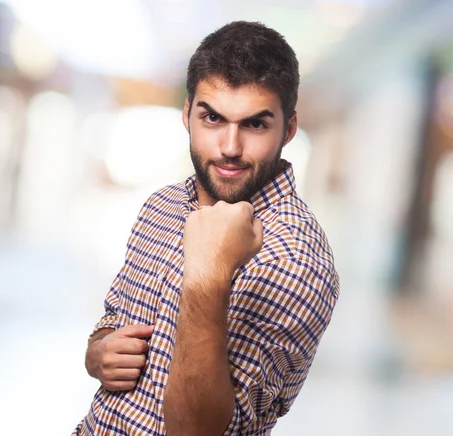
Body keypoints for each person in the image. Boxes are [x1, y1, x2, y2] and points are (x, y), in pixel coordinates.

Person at [72, 21, 339, 436]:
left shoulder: (295, 257)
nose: (230, 147)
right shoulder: (162, 206)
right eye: (212, 117)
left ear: (288, 129)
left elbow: (197, 431)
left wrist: (209, 275)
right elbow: (113, 317)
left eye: (254, 124)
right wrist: (99, 352)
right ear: (187, 114)